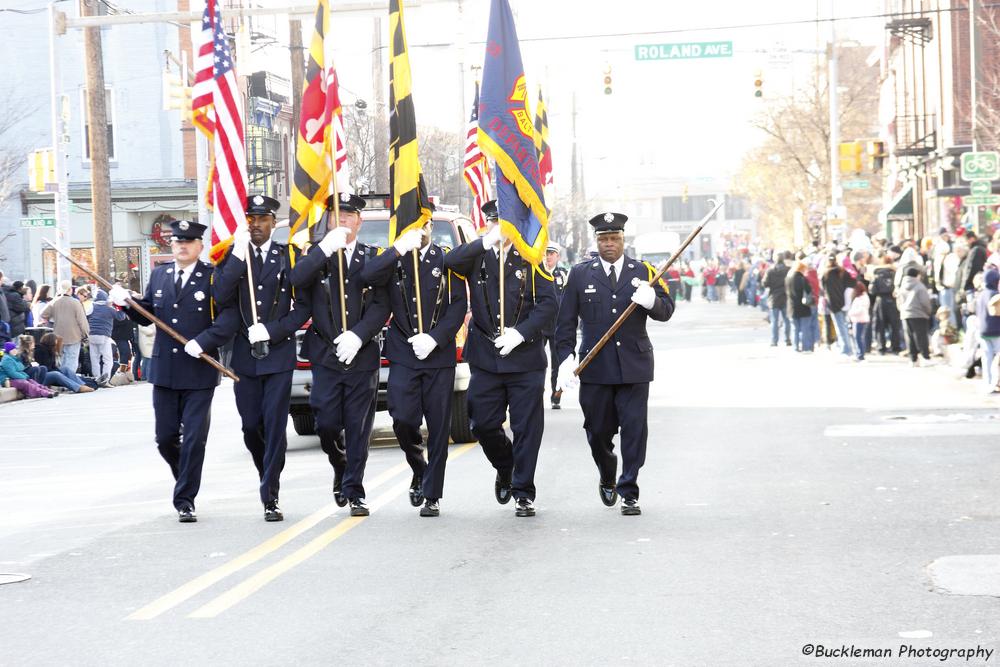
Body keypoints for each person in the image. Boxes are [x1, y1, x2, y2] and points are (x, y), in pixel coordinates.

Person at [109, 219, 237, 523]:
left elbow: (228, 318)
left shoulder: (212, 278)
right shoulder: (160, 274)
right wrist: (126, 303)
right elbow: (147, 316)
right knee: (165, 438)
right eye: (177, 241)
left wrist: (204, 342)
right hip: (165, 370)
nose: (182, 246)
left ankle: (185, 499)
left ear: (199, 246)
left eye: (188, 242)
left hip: (198, 370)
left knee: (194, 438)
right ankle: (186, 477)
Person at [442, 199, 558, 518]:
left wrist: (520, 333)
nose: (500, 228)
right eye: (494, 222)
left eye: (505, 223)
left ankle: (524, 491)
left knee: (526, 428)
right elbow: (449, 262)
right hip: (486, 358)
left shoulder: (531, 257)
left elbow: (549, 304)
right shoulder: (476, 256)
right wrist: (483, 241)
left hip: (524, 360)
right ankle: (505, 466)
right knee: (482, 424)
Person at [554, 212, 674, 516]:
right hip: (596, 368)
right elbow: (565, 323)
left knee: (635, 430)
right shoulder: (580, 275)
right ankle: (607, 471)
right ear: (597, 241)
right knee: (597, 431)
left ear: (624, 240)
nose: (609, 244)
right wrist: (564, 360)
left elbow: (666, 311)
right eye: (604, 239)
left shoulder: (644, 271)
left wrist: (651, 301)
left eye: (615, 238)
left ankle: (629, 490)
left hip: (635, 367)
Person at [288, 193, 390, 517]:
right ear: (328, 221)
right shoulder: (316, 257)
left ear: (359, 221)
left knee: (358, 427)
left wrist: (359, 335)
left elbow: (381, 305)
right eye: (337, 216)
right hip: (326, 355)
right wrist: (323, 250)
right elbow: (296, 280)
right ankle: (340, 464)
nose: (343, 221)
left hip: (361, 356)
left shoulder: (373, 258)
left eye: (349, 216)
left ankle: (355, 490)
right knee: (327, 424)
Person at [214, 194, 312, 522]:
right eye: (251, 219)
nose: (256, 225)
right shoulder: (235, 256)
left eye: (262, 219)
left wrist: (272, 330)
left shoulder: (289, 258)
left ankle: (270, 492)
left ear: (274, 223)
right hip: (244, 356)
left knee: (274, 425)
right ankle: (264, 472)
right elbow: (221, 295)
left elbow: (303, 308)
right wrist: (238, 258)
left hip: (278, 355)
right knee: (250, 426)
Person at [361, 216, 467, 517]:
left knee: (438, 425)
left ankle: (433, 494)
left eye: (424, 225)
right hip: (404, 352)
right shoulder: (395, 260)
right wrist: (396, 250)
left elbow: (458, 305)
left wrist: (435, 338)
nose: (419, 232)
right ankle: (418, 467)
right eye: (412, 227)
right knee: (403, 419)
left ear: (431, 228)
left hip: (438, 354)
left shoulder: (447, 261)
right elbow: (367, 277)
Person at [14, 335, 93, 393]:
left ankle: (83, 384)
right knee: (56, 374)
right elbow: (42, 366)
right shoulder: (37, 351)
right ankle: (77, 388)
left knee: (64, 369)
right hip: (38, 376)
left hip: (41, 372)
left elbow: (50, 366)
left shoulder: (36, 352)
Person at [41, 281, 89, 375]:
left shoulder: (55, 301)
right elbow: (82, 321)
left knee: (61, 359)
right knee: (72, 359)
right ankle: (69, 379)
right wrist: (86, 334)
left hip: (58, 336)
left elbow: (43, 314)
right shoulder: (76, 303)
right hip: (74, 335)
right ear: (70, 290)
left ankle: (61, 380)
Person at [542, 243, 569, 409]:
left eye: (552, 254)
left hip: (557, 325)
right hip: (540, 325)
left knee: (557, 363)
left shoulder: (564, 275)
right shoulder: (537, 273)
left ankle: (556, 395)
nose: (548, 257)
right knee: (537, 362)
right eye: (546, 253)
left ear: (558, 256)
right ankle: (535, 394)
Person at [87, 288, 126, 385]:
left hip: (91, 334)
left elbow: (85, 317)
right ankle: (105, 379)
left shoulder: (91, 307)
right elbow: (121, 317)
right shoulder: (109, 308)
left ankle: (96, 378)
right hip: (104, 334)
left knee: (94, 358)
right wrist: (119, 306)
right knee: (107, 359)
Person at [897, 266, 933, 367]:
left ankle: (913, 359)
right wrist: (928, 311)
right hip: (919, 314)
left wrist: (902, 310)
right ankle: (925, 357)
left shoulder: (902, 286)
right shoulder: (920, 286)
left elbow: (899, 301)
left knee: (909, 337)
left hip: (905, 314)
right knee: (921, 337)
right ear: (917, 275)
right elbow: (925, 302)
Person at [821, 254, 855, 358]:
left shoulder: (825, 274)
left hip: (833, 304)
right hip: (845, 302)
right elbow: (852, 283)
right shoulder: (843, 272)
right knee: (845, 326)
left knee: (840, 327)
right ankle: (848, 347)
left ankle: (846, 349)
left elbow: (824, 290)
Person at [975, 268, 1000, 392]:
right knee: (997, 358)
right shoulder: (994, 294)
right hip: (995, 330)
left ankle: (988, 382)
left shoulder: (981, 294)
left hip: (982, 330)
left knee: (987, 358)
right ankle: (995, 382)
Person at [785, 260, 814, 352]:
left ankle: (796, 347)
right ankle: (806, 347)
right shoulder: (802, 278)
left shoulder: (787, 278)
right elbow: (809, 291)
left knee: (795, 329)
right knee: (805, 328)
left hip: (791, 306)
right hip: (803, 307)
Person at [762, 253, 791, 346]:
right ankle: (787, 339)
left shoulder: (770, 270)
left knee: (774, 320)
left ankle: (774, 341)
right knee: (786, 319)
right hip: (785, 296)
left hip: (774, 297)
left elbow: (765, 283)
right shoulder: (787, 270)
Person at [847, 281, 871, 361]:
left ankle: (860, 355)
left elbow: (860, 310)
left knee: (858, 338)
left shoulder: (861, 298)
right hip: (860, 319)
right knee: (859, 337)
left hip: (860, 319)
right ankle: (859, 354)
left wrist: (850, 313)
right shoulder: (863, 297)